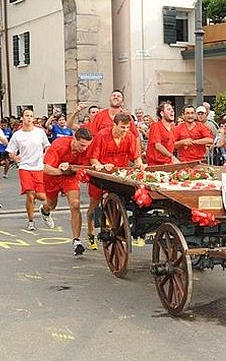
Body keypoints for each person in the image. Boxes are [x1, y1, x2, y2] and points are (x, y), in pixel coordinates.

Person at [85, 113, 146, 249]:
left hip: (119, 175)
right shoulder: (102, 135)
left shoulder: (129, 136)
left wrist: (140, 164)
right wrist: (99, 165)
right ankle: (90, 235)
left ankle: (117, 227)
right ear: (115, 125)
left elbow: (135, 157)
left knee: (122, 201)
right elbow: (93, 158)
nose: (125, 130)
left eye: (127, 127)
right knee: (94, 205)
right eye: (122, 127)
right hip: (101, 175)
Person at [41, 128, 94, 255]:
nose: (84, 149)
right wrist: (61, 170)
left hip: (70, 178)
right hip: (52, 177)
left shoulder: (86, 150)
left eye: (87, 146)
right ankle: (45, 210)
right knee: (51, 204)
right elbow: (46, 169)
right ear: (74, 140)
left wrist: (70, 169)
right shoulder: (59, 144)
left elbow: (89, 165)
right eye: (82, 145)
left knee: (75, 205)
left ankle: (76, 241)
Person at [5, 109, 51, 231]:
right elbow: (10, 151)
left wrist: (47, 154)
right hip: (25, 167)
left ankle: (44, 211)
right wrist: (14, 157)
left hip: (39, 167)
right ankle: (31, 220)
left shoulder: (40, 132)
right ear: (22, 118)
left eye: (31, 116)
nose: (29, 118)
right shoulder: (17, 135)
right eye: (27, 116)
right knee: (30, 194)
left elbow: (47, 146)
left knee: (43, 197)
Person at [146, 101, 178, 166]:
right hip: (156, 165)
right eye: (168, 109)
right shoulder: (156, 126)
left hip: (168, 163)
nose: (172, 111)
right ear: (162, 113)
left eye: (172, 110)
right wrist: (172, 157)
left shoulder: (172, 129)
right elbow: (158, 145)